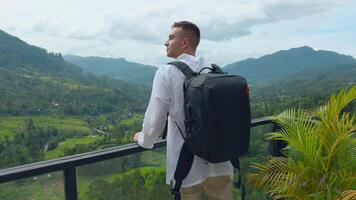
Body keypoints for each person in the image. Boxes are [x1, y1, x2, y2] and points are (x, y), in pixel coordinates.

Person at [133, 21, 234, 200]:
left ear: (185, 42)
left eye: (171, 37)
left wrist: (143, 138)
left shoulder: (166, 72)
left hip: (186, 166)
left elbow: (155, 119)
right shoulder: (214, 69)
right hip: (222, 162)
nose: (166, 42)